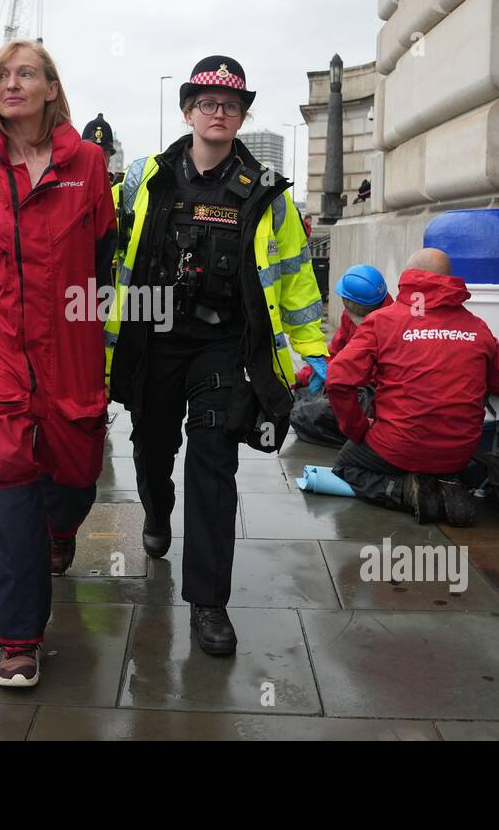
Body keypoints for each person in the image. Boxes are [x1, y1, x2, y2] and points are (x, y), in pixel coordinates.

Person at [106, 55, 328, 656]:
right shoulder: (144, 177)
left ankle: (209, 602)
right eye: (207, 102)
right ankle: (156, 512)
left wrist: (313, 354)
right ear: (188, 111)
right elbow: (110, 252)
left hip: (224, 347)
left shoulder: (267, 193)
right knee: (153, 444)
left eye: (230, 105)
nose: (219, 112)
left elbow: (296, 278)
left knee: (212, 460)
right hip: (154, 335)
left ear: (241, 116)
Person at [0, 39, 115, 689]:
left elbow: (102, 258)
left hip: (72, 344)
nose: (11, 83)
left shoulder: (91, 164)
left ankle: (63, 525)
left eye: (26, 74)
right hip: (1, 346)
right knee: (5, 474)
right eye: (2, 75)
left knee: (75, 473)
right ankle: (18, 639)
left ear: (52, 89)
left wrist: (96, 335)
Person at [325, 247, 499, 526]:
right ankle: (445, 482)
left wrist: (358, 428)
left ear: (407, 279)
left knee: (345, 465)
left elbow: (338, 379)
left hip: (398, 446)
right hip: (460, 452)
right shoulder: (477, 327)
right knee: (437, 455)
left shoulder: (382, 321)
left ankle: (407, 492)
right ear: (450, 280)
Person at [294, 263, 393, 395]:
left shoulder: (391, 326)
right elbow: (335, 352)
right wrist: (302, 377)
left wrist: (338, 377)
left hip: (376, 392)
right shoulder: (350, 317)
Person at [80, 113, 127, 279]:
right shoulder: (69, 190)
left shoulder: (123, 189)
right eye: (91, 149)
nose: (96, 155)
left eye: (103, 152)